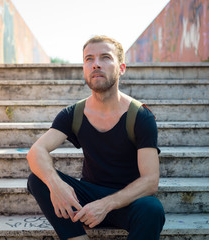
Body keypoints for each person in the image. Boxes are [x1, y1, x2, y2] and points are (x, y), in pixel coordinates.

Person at [27, 35, 165, 240]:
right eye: (89, 59)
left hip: (125, 202)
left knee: (152, 209)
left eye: (105, 58)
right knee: (37, 178)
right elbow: (36, 152)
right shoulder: (73, 113)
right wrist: (57, 185)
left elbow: (150, 181)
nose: (96, 64)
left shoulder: (140, 116)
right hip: (86, 202)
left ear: (121, 68)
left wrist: (106, 204)